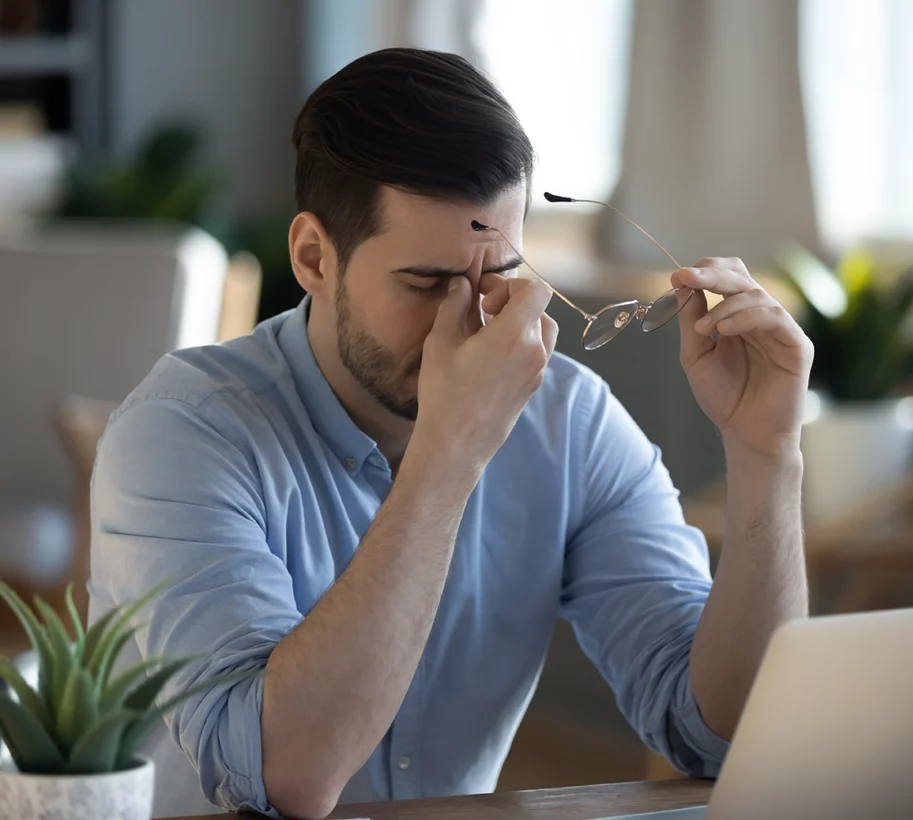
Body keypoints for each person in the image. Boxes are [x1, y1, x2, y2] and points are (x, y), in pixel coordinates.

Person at [88, 48, 812, 819]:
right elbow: (285, 778)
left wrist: (767, 454)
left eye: (497, 274)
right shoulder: (181, 432)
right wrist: (449, 449)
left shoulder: (570, 421)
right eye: (427, 283)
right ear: (312, 258)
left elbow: (724, 736)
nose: (467, 322)